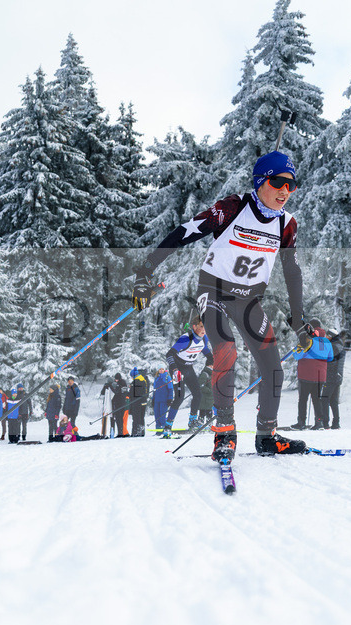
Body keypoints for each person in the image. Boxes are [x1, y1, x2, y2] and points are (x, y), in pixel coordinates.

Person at [131, 150, 311, 460]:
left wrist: (299, 322)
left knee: (273, 368)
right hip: (214, 291)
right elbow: (183, 233)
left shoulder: (287, 224)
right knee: (225, 349)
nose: (285, 191)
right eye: (278, 182)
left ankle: (266, 435)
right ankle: (224, 433)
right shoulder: (234, 208)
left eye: (291, 185)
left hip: (249, 299)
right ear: (260, 181)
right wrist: (145, 271)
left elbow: (293, 272)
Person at [164, 314, 214, 432]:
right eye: (201, 326)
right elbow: (169, 354)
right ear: (195, 326)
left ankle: (192, 422)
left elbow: (207, 353)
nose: (204, 329)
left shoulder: (204, 338)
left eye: (205, 326)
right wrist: (175, 369)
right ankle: (167, 427)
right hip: (177, 369)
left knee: (198, 395)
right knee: (179, 398)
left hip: (188, 368)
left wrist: (210, 364)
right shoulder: (186, 339)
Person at [291, 318, 333, 429]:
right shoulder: (327, 341)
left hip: (306, 374)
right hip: (320, 376)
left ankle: (301, 422)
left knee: (303, 400)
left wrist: (296, 350)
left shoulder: (308, 339)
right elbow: (330, 357)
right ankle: (319, 422)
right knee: (317, 400)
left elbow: (297, 355)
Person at [324, 329, 346, 429]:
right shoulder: (340, 345)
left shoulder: (333, 346)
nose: (325, 337)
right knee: (333, 401)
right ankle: (336, 423)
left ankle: (325, 422)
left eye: (327, 336)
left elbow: (332, 362)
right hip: (337, 376)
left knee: (324, 399)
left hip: (331, 376)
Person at [102, 373, 129, 437]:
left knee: (119, 419)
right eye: (115, 379)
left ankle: (121, 433)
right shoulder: (114, 383)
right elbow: (103, 392)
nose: (116, 380)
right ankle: (115, 433)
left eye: (117, 379)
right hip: (115, 403)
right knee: (116, 419)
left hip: (121, 403)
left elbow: (118, 392)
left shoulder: (122, 383)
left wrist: (113, 386)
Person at [153, 367, 174, 437]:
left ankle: (164, 430)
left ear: (164, 370)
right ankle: (158, 431)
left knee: (162, 415)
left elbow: (170, 389)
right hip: (157, 400)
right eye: (160, 369)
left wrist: (170, 398)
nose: (161, 370)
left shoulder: (167, 377)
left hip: (164, 400)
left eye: (162, 369)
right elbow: (154, 390)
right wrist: (153, 399)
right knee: (157, 415)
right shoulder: (156, 378)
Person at [129, 368, 149, 437]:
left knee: (136, 417)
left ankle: (135, 432)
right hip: (143, 402)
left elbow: (132, 394)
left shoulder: (135, 382)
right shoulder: (143, 380)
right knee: (141, 417)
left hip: (136, 402)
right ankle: (141, 431)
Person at [198, 358, 214, 423]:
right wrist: (209, 391)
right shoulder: (205, 374)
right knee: (203, 412)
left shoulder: (211, 374)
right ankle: (200, 424)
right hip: (204, 399)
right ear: (210, 365)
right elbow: (200, 385)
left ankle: (209, 425)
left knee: (209, 413)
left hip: (209, 399)